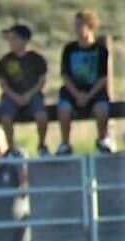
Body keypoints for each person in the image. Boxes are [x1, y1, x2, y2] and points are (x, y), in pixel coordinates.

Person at [56, 9, 113, 155]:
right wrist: (77, 94)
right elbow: (65, 75)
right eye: (76, 25)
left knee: (102, 108)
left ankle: (102, 140)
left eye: (81, 25)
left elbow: (102, 77)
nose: (78, 29)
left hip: (94, 89)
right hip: (73, 90)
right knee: (64, 108)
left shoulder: (101, 50)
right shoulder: (69, 49)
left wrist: (88, 96)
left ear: (91, 26)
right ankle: (65, 143)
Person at [0, 23, 49, 156]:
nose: (10, 42)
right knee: (6, 118)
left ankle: (41, 144)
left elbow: (42, 81)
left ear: (24, 40)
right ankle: (11, 148)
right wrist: (15, 96)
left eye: (14, 38)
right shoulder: (5, 60)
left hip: (33, 94)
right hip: (11, 95)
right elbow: (3, 83)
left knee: (41, 116)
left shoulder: (36, 59)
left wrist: (28, 95)